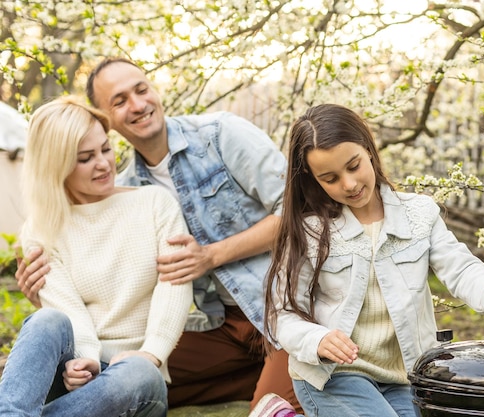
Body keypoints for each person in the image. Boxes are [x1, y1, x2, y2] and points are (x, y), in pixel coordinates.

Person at [15, 57, 302, 416]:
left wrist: (213, 254)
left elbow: (299, 211)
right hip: (223, 325)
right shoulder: (126, 191)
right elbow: (108, 287)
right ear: (104, 118)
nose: (138, 105)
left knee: (268, 408)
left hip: (283, 309)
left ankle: (276, 381)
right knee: (122, 374)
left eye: (141, 89)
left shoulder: (220, 134)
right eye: (119, 101)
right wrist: (47, 297)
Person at [263, 103, 484, 417]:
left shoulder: (420, 214)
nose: (349, 184)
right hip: (335, 375)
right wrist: (317, 338)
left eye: (354, 166)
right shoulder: (310, 231)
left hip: (404, 377)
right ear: (313, 178)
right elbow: (282, 313)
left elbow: (459, 267)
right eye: (330, 178)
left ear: (368, 149)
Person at [0, 96, 193, 417]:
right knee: (47, 319)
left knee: (139, 373)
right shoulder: (40, 229)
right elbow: (66, 309)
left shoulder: (155, 204)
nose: (104, 163)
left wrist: (151, 354)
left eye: (106, 149)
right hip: (71, 370)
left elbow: (174, 288)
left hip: (134, 379)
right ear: (56, 166)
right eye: (86, 157)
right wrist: (84, 359)